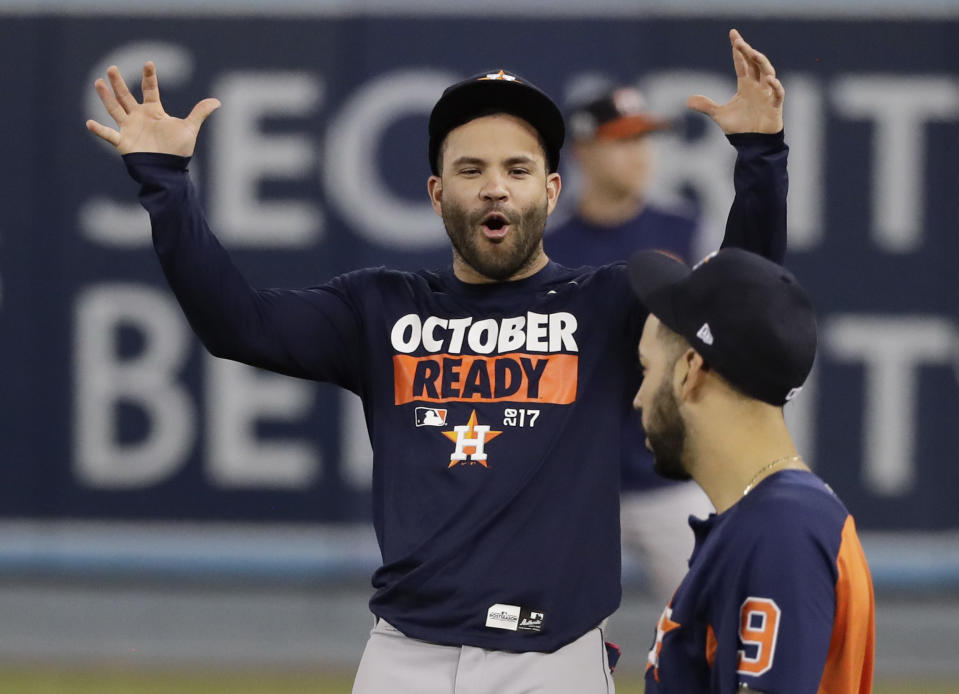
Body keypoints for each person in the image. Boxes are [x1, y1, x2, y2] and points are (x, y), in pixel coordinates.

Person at [86, 28, 787, 694]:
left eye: (517, 169)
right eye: (470, 169)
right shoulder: (381, 308)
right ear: (435, 193)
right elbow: (235, 323)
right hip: (404, 656)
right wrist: (167, 187)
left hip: (552, 657)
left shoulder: (604, 301)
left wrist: (759, 157)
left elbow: (730, 306)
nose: (493, 187)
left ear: (548, 190)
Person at [628, 248, 875, 693]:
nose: (639, 397)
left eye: (647, 370)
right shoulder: (766, 520)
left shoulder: (784, 531)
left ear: (690, 371)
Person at [549, 84, 714, 602]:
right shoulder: (548, 247)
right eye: (622, 140)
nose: (638, 153)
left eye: (642, 139)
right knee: (547, 640)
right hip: (576, 484)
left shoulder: (684, 230)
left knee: (713, 637)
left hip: (673, 475)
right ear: (583, 151)